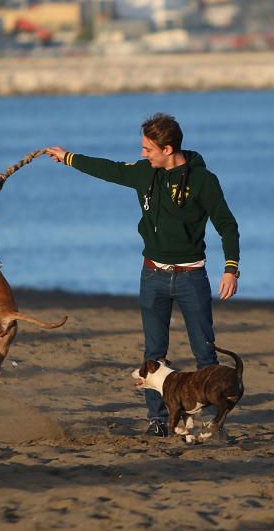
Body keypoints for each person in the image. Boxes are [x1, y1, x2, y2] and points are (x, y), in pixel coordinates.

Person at [43, 113, 240, 438]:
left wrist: (231, 268)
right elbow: (109, 169)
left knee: (205, 351)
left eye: (148, 149)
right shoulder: (145, 173)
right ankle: (158, 420)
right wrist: (67, 157)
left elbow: (227, 224)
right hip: (152, 276)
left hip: (192, 277)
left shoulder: (203, 181)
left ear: (167, 148)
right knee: (153, 354)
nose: (142, 154)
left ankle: (207, 421)